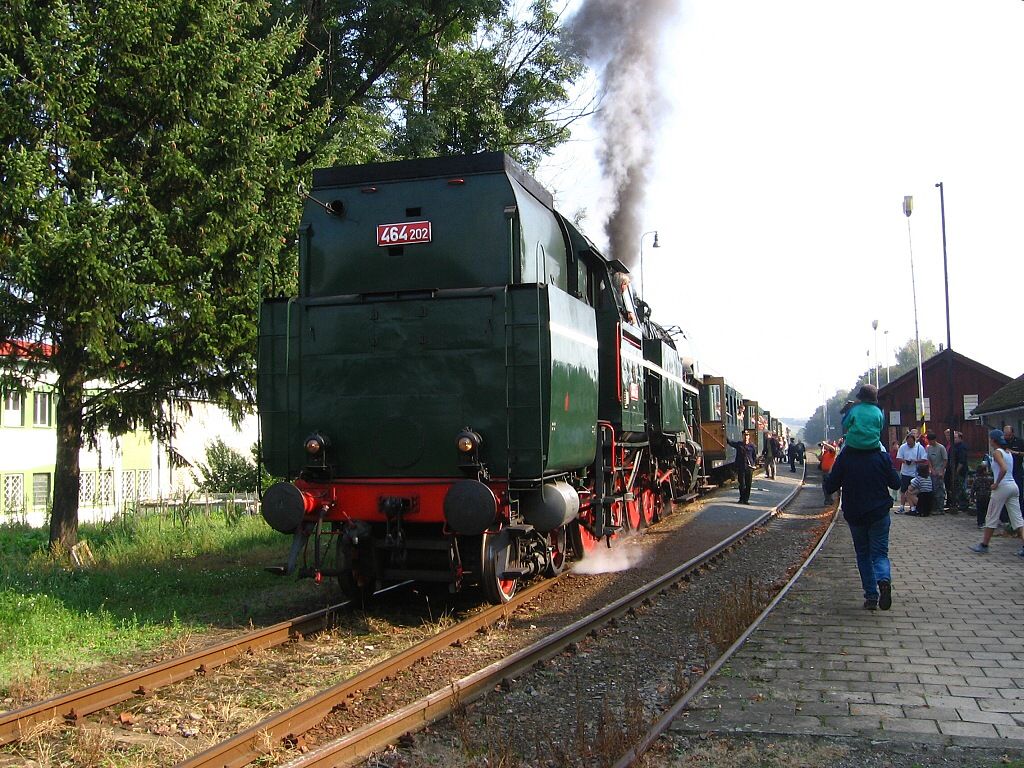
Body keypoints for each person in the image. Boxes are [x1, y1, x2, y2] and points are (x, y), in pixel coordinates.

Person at [823, 442, 901, 610]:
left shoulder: (845, 458)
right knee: (880, 554)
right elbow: (896, 483)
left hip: (856, 514)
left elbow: (830, 486)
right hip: (879, 513)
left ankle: (871, 596)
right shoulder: (882, 456)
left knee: (863, 554)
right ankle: (884, 580)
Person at [969, 429, 1024, 556]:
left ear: (993, 440)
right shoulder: (1008, 452)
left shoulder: (997, 453)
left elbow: (1003, 469)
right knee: (1017, 519)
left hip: (1002, 487)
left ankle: (984, 545)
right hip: (1013, 486)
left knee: (991, 517)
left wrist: (996, 483)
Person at [840, 384, 884, 450]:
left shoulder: (854, 410)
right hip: (874, 446)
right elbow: (881, 427)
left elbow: (844, 424)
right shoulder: (878, 412)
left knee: (840, 459)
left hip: (853, 446)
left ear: (861, 398)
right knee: (885, 456)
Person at [895, 432, 928, 514]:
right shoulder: (903, 447)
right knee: (903, 490)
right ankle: (902, 506)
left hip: (915, 472)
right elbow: (898, 457)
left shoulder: (919, 448)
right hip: (905, 472)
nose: (909, 445)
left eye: (911, 443)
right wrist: (905, 461)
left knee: (914, 491)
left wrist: (915, 461)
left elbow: (924, 458)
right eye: (908, 443)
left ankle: (913, 506)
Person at [728, 431, 757, 504]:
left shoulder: (752, 446)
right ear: (742, 436)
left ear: (749, 437)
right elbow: (731, 443)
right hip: (741, 467)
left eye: (747, 435)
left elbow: (754, 457)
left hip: (749, 468)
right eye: (744, 435)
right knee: (742, 484)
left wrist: (753, 464)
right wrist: (725, 436)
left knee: (748, 484)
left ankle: (746, 500)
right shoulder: (739, 444)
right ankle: (741, 499)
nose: (746, 437)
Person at [925, 431, 948, 514]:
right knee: (933, 489)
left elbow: (945, 460)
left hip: (940, 470)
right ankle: (934, 507)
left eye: (931, 440)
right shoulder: (928, 448)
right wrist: (931, 469)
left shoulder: (941, 448)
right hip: (933, 471)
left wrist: (941, 471)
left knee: (940, 490)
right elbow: (928, 460)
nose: (930, 442)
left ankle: (940, 507)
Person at [1003, 425, 1024, 512]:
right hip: (1006, 471)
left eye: (1009, 435)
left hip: (1017, 470)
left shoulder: (1020, 442)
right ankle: (1005, 516)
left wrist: (1015, 452)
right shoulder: (1003, 442)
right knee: (1005, 494)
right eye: (1005, 435)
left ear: (1012, 433)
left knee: (1019, 493)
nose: (1007, 437)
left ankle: (1020, 513)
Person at [950, 431, 969, 511]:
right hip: (954, 470)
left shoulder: (962, 447)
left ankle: (964, 504)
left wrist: (956, 471)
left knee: (962, 488)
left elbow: (962, 461)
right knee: (957, 488)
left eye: (955, 438)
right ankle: (959, 503)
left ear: (960, 438)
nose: (953, 439)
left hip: (961, 471)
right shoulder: (954, 446)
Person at [972, 463, 992, 530]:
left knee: (980, 511)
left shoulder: (976, 479)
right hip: (987, 496)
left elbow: (973, 489)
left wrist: (972, 497)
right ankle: (987, 522)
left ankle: (980, 523)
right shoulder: (989, 479)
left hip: (979, 497)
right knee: (987, 510)